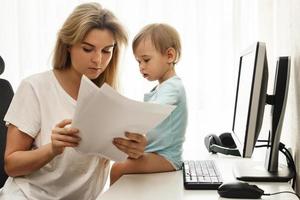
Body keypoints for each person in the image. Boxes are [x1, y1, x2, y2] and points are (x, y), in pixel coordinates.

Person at [0, 2, 147, 200]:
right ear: (68, 45)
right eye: (88, 49)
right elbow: (11, 165)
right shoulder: (35, 87)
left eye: (106, 51)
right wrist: (52, 149)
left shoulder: (108, 97)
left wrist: (135, 151)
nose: (98, 60)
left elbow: (113, 158)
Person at [110, 23, 188, 185]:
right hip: (156, 154)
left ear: (169, 56)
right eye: (138, 62)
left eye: (146, 60)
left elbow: (152, 112)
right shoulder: (162, 87)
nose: (141, 67)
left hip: (167, 158)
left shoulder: (173, 86)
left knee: (118, 168)